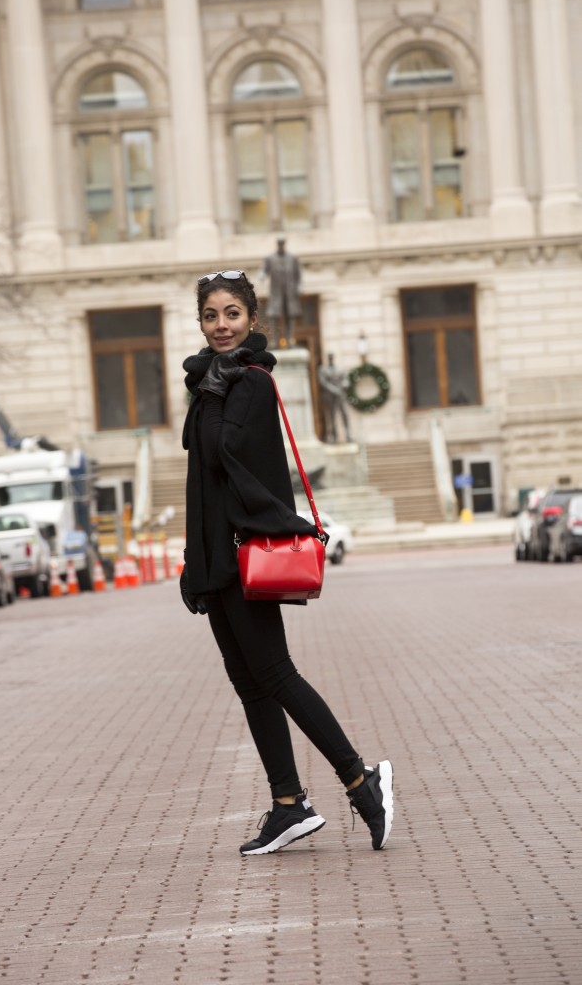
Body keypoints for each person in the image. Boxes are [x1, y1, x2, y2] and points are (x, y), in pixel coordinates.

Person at [181, 269, 394, 856]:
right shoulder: (209, 382)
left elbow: (238, 462)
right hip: (215, 558)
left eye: (231, 314)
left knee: (275, 674)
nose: (221, 325)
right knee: (250, 684)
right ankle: (288, 805)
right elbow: (200, 480)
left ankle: (359, 780)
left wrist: (216, 388)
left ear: (252, 319)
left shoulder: (247, 380)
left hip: (244, 552)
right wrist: (190, 561)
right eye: (211, 316)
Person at [260, 237, 302, 347]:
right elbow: (264, 269)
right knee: (274, 317)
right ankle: (274, 341)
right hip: (276, 293)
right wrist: (262, 275)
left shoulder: (292, 258)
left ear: (284, 244)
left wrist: (299, 287)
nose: (281, 245)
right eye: (279, 243)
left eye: (282, 243)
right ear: (277, 245)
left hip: (289, 294)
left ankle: (289, 340)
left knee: (290, 317)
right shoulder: (270, 258)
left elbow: (298, 275)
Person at [318, 353, 353, 443]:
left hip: (341, 396)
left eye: (331, 357)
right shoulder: (323, 369)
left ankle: (348, 434)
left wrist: (344, 385)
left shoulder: (340, 368)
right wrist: (334, 390)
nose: (330, 359)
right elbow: (323, 383)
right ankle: (334, 436)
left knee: (345, 414)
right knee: (332, 416)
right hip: (330, 397)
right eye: (329, 357)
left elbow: (346, 379)